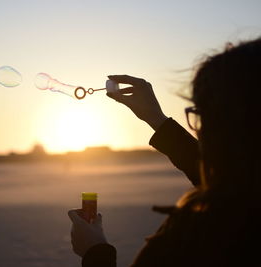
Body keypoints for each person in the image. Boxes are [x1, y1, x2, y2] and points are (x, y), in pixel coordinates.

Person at [68, 37, 261, 266]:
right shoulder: (244, 195)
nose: (200, 129)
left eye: (203, 115)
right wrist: (155, 118)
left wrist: (95, 253)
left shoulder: (209, 234)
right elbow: (220, 172)